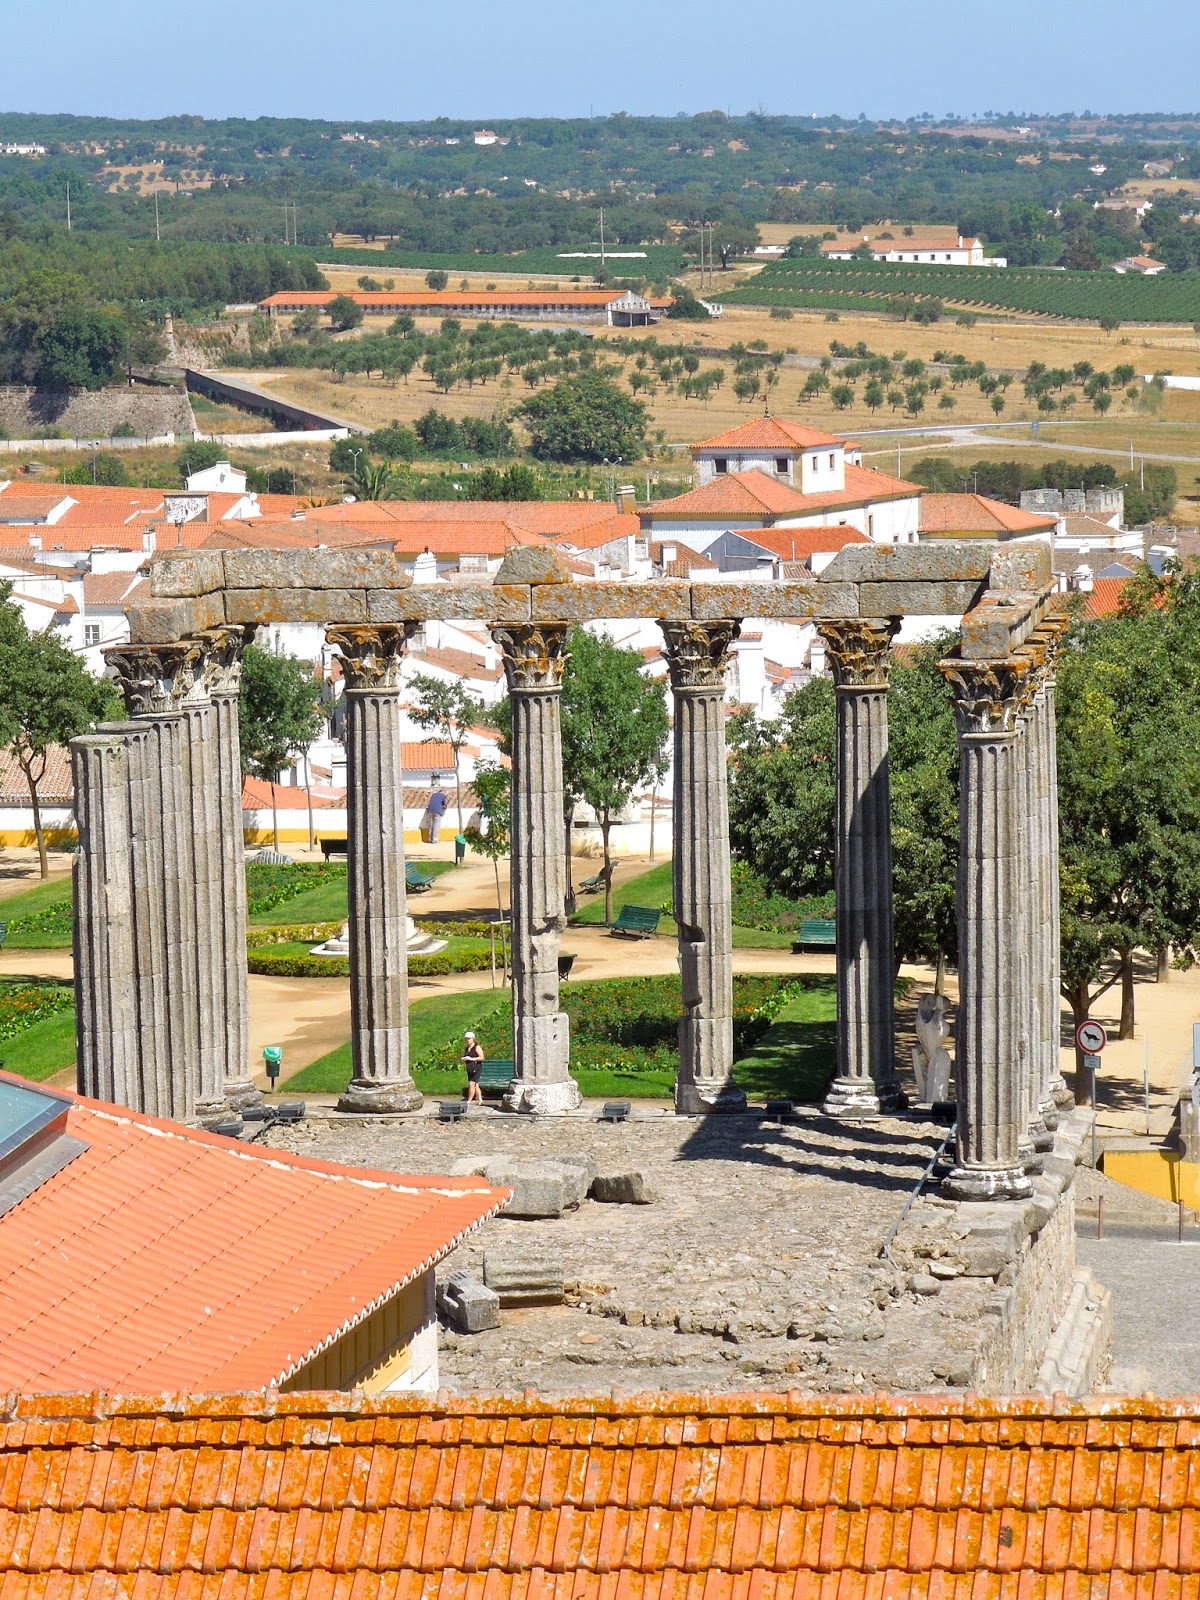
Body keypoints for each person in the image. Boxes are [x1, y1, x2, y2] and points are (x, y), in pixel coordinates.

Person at [462, 1031, 484, 1104]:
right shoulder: (467, 1048)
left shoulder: (477, 1047)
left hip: (476, 1068)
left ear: (473, 1039)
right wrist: (464, 1059)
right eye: (466, 1039)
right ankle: (480, 1099)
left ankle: (469, 1100)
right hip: (470, 1068)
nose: (468, 1040)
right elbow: (466, 1057)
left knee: (471, 1084)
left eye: (469, 1039)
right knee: (476, 1085)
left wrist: (472, 1059)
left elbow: (482, 1057)